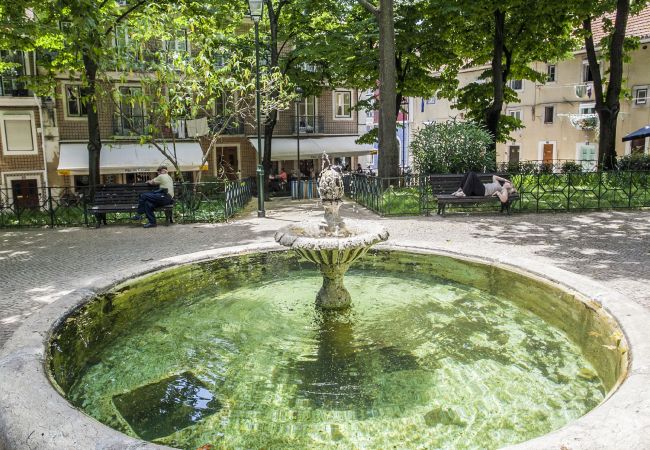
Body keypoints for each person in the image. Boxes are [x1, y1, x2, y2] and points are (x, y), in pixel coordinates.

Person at [452, 171, 516, 203]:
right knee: (469, 172)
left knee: (472, 174)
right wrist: (504, 179)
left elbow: (504, 200)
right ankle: (460, 190)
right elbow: (494, 176)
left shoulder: (503, 190)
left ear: (509, 187)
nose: (507, 182)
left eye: (509, 183)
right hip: (480, 188)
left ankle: (463, 193)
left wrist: (497, 193)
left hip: (483, 191)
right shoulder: (498, 184)